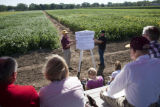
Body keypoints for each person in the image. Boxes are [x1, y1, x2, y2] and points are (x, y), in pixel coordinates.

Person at [100, 36, 160, 107]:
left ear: (134, 51)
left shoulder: (130, 68)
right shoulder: (158, 62)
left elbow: (112, 90)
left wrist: (108, 89)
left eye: (130, 49)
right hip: (154, 104)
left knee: (103, 93)